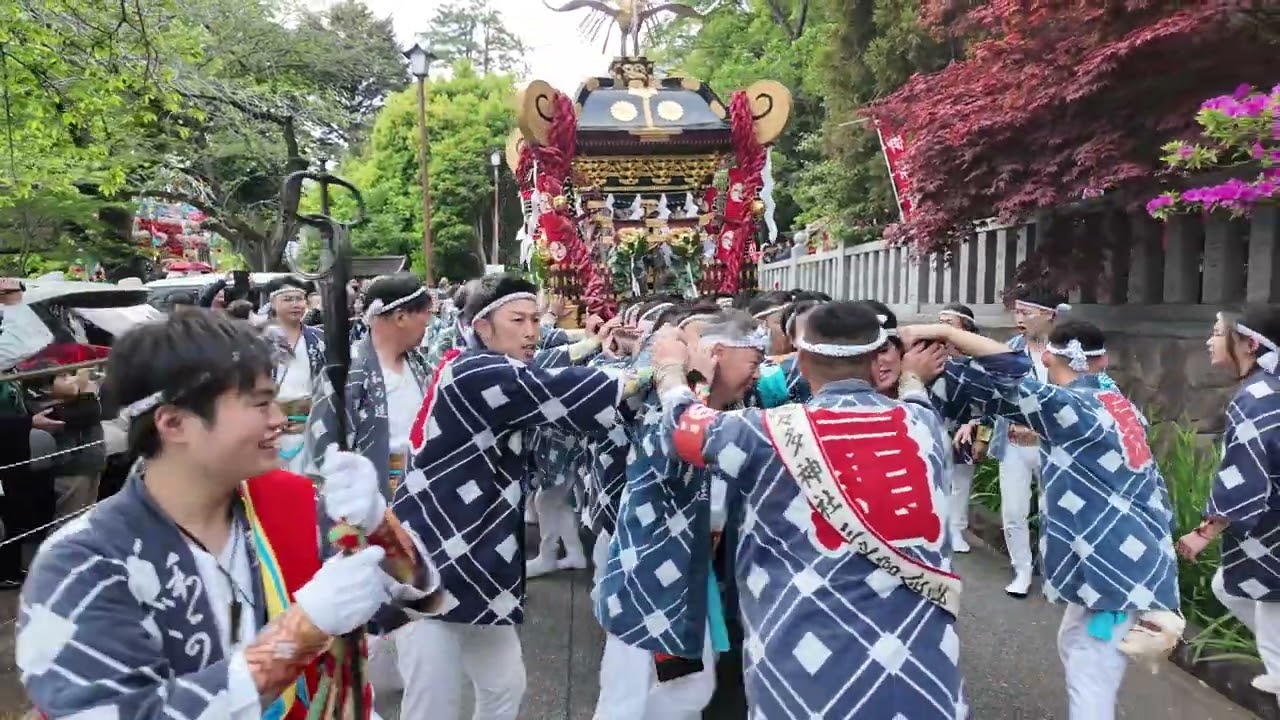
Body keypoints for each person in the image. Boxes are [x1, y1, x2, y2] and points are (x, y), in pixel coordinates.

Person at [15, 310, 440, 719]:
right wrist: (300, 631)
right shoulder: (82, 563)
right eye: (259, 404)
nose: (280, 420)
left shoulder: (294, 502)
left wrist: (376, 521)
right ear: (174, 423)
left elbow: (423, 595)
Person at [630, 301, 969, 718]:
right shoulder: (924, 426)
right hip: (923, 675)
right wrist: (916, 373)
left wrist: (669, 366)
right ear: (876, 358)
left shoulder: (764, 432)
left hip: (803, 673)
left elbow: (684, 427)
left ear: (802, 359)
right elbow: (915, 399)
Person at [394, 273, 650, 720]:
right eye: (519, 319)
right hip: (433, 556)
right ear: (483, 328)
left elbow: (536, 371)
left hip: (475, 555)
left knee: (503, 686)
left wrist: (588, 347)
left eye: (535, 318)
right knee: (433, 699)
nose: (532, 329)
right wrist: (658, 370)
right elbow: (552, 387)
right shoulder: (476, 371)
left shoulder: (471, 363)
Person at [908, 318, 1183, 720]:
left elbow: (1004, 378)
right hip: (1135, 553)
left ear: (1048, 356)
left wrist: (945, 337)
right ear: (1103, 359)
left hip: (1110, 566)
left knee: (1091, 670)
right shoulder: (1115, 401)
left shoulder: (1068, 405)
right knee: (1076, 644)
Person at [594, 309, 767, 720]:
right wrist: (685, 376)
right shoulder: (663, 409)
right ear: (718, 354)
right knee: (629, 699)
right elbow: (677, 452)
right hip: (650, 585)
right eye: (755, 361)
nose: (759, 373)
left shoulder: (732, 413)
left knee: (688, 690)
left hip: (693, 587)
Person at [1178, 308, 1280, 698]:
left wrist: (1204, 532)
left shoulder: (1256, 398)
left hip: (1271, 531)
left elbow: (1244, 479)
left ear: (1251, 345)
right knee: (1227, 585)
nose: (1209, 340)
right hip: (1269, 527)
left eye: (1218, 332)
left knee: (1268, 603)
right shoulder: (1269, 388)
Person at [985, 285, 1072, 596]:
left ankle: (1052, 573)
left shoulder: (1067, 352)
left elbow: (1077, 398)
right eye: (1017, 311)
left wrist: (1041, 428)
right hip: (1012, 444)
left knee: (1054, 512)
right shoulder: (1008, 350)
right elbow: (993, 396)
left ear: (1049, 315)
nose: (1018, 317)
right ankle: (1022, 570)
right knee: (1013, 511)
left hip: (1052, 446)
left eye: (1026, 312)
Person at [263, 276, 325, 473]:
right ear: (273, 303)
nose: (296, 304)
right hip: (270, 429)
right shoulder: (258, 340)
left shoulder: (319, 339)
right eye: (288, 299)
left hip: (311, 427)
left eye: (299, 299)